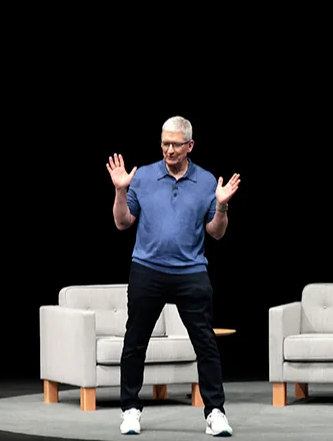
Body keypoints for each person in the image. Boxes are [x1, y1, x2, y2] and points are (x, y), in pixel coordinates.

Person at [106, 115, 240, 437]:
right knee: (135, 341)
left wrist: (222, 207)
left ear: (190, 145)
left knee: (205, 343)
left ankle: (215, 412)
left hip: (190, 272)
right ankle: (130, 409)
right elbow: (122, 223)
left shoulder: (206, 181)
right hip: (147, 270)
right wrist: (121, 191)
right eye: (164, 143)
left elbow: (216, 232)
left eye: (176, 145)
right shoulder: (143, 176)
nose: (169, 150)